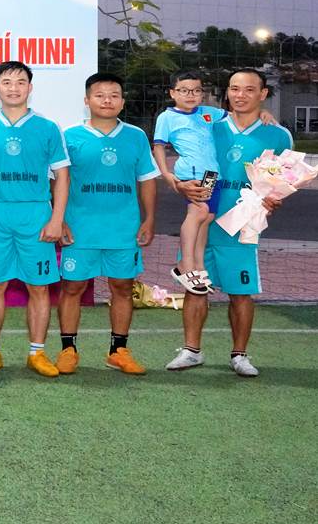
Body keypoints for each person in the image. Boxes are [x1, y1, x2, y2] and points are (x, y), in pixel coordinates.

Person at [167, 69, 292, 377]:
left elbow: (282, 180)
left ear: (263, 94)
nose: (240, 95)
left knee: (241, 292)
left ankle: (239, 355)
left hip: (243, 225)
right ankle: (191, 350)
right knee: (195, 287)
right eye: (234, 89)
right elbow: (187, 158)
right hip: (204, 220)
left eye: (249, 89)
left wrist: (274, 199)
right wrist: (180, 185)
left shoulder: (278, 135)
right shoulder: (208, 125)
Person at [0, 61, 69, 377]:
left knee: (38, 287)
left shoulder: (48, 128)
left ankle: (36, 353)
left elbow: (62, 177)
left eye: (20, 82)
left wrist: (56, 218)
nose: (14, 88)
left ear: (30, 87)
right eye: (7, 82)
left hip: (35, 215)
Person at [55, 72, 158, 376]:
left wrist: (149, 219)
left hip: (123, 228)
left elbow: (146, 180)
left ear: (123, 102)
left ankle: (118, 351)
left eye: (114, 95)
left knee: (122, 287)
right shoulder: (69, 136)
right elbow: (58, 180)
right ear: (87, 100)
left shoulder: (136, 136)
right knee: (73, 287)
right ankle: (68, 349)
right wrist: (59, 219)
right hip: (80, 228)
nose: (107, 100)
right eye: (100, 95)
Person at [152, 72, 272, 296]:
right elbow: (158, 146)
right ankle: (184, 265)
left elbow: (237, 113)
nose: (190, 95)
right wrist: (167, 174)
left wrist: (263, 112)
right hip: (192, 173)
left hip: (212, 173)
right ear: (172, 93)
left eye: (196, 91)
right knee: (197, 212)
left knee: (206, 218)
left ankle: (198, 266)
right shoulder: (167, 117)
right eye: (184, 90)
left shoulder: (208, 113)